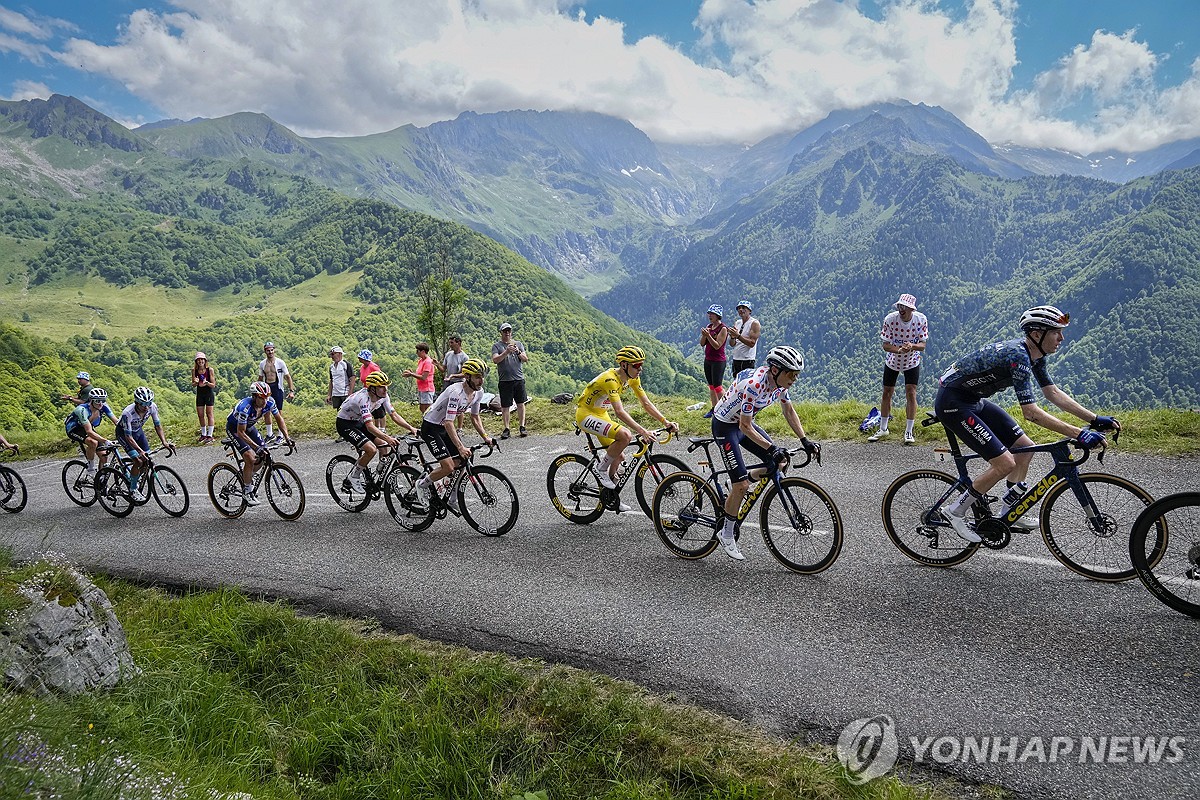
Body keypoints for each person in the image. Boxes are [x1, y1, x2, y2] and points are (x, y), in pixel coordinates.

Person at [933, 305, 1119, 543]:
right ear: (1036, 333)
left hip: (973, 400)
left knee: (1024, 449)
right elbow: (1031, 413)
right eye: (1056, 332)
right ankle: (955, 511)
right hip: (953, 403)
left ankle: (1009, 509)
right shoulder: (1018, 356)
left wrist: (1092, 419)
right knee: (1005, 463)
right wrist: (1078, 434)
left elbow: (1052, 393)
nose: (1061, 338)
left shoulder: (1035, 356)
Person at [710, 346, 820, 561]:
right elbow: (745, 427)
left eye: (797, 375)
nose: (794, 379)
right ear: (776, 370)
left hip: (742, 424)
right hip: (726, 427)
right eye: (791, 374)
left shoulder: (779, 383)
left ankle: (736, 491)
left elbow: (788, 410)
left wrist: (804, 440)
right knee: (741, 485)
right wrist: (771, 448)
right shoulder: (754, 386)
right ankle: (726, 533)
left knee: (779, 462)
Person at [576, 346, 679, 510]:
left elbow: (646, 403)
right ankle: (600, 469)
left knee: (619, 457)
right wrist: (642, 430)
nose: (640, 369)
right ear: (624, 365)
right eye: (636, 365)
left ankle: (612, 498)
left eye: (641, 365)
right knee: (625, 435)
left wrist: (665, 422)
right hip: (586, 415)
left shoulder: (632, 378)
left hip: (601, 413)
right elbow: (619, 411)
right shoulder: (610, 379)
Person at [412, 359, 497, 512]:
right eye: (477, 376)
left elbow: (475, 417)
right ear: (468, 377)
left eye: (482, 376)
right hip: (431, 427)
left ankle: (452, 499)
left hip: (444, 426)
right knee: (449, 466)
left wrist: (486, 437)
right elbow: (449, 423)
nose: (481, 380)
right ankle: (422, 484)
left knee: (462, 461)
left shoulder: (478, 392)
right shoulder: (456, 392)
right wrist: (460, 446)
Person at [335, 371, 418, 493]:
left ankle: (383, 479)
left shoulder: (383, 396)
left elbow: (394, 415)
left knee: (383, 446)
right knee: (371, 449)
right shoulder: (363, 399)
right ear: (373, 389)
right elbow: (369, 426)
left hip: (358, 421)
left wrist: (411, 428)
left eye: (386, 386)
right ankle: (354, 476)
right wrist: (388, 438)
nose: (385, 389)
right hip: (345, 424)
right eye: (381, 387)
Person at [869, 293, 929, 444]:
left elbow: (922, 345)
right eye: (900, 306)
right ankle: (883, 429)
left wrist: (912, 346)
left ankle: (908, 432)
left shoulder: (921, 319)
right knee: (887, 393)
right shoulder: (890, 319)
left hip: (912, 361)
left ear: (911, 309)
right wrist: (899, 350)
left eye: (904, 307)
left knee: (911, 393)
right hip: (893, 360)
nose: (901, 309)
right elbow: (885, 345)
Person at [226, 381, 293, 506]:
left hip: (249, 427)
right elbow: (241, 433)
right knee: (250, 457)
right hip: (235, 429)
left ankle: (247, 476)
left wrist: (287, 438)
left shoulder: (270, 402)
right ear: (255, 397)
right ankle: (247, 491)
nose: (265, 401)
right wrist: (256, 448)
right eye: (262, 398)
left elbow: (279, 419)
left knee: (265, 454)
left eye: (267, 397)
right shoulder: (245, 408)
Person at [114, 387, 172, 502]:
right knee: (138, 460)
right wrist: (140, 451)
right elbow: (128, 437)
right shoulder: (127, 413)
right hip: (124, 434)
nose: (146, 406)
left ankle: (133, 477)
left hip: (138, 432)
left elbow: (157, 425)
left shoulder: (152, 407)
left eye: (148, 403)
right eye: (143, 404)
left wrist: (164, 442)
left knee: (147, 460)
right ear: (136, 402)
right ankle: (133, 489)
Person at [64, 387, 120, 483]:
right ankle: (90, 468)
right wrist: (106, 441)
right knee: (92, 442)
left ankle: (100, 481)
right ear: (91, 400)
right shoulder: (82, 410)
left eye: (103, 400)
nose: (101, 403)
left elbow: (116, 421)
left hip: (87, 427)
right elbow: (89, 432)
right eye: (98, 401)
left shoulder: (103, 406)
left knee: (104, 456)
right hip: (74, 429)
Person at [491, 322, 529, 439]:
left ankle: (522, 427)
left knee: (520, 403)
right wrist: (506, 351)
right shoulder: (497, 346)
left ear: (511, 332)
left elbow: (525, 359)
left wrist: (517, 352)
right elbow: (495, 360)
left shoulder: (518, 344)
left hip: (518, 378)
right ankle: (506, 428)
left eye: (509, 331)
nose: (507, 333)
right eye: (505, 331)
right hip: (505, 380)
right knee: (505, 405)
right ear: (501, 332)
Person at [257, 342, 295, 439]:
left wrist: (291, 391)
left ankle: (281, 435)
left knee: (278, 412)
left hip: (277, 388)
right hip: (267, 389)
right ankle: (269, 434)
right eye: (268, 350)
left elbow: (287, 376)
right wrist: (257, 391)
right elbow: (260, 378)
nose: (270, 352)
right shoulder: (262, 364)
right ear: (265, 351)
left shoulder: (280, 362)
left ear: (274, 350)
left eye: (271, 350)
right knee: (266, 412)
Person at [699, 304, 729, 417]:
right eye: (709, 313)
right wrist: (704, 336)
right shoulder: (709, 326)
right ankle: (714, 409)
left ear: (718, 316)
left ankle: (727, 408)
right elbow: (702, 343)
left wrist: (709, 336)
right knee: (711, 385)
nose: (709, 316)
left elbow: (717, 345)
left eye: (712, 314)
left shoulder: (723, 329)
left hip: (718, 361)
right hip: (708, 359)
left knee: (718, 386)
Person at [439, 335, 470, 430]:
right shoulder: (448, 354)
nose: (450, 345)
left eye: (452, 343)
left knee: (459, 405)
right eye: (450, 343)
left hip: (459, 383)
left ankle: (459, 427)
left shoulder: (464, 357)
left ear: (458, 343)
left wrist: (454, 376)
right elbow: (443, 369)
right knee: (446, 402)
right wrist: (437, 364)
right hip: (448, 382)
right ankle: (445, 423)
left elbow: (465, 374)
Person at [727, 300, 761, 377]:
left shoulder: (754, 323)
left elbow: (752, 343)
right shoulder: (737, 323)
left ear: (749, 310)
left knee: (746, 384)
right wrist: (732, 337)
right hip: (736, 358)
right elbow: (732, 344)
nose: (741, 310)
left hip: (747, 360)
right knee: (736, 384)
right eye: (739, 308)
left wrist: (738, 336)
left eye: (743, 308)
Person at [403, 343, 437, 413]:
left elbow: (424, 377)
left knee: (427, 409)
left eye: (418, 351)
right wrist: (411, 373)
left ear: (423, 351)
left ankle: (429, 422)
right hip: (421, 388)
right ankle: (425, 421)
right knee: (422, 408)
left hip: (427, 389)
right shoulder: (421, 361)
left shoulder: (427, 362)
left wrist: (411, 374)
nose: (416, 353)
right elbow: (419, 374)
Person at [193, 352, 217, 443]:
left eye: (202, 359)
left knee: (209, 413)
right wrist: (196, 382)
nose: (200, 361)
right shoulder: (194, 370)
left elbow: (213, 385)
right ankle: (203, 434)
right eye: (198, 360)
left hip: (208, 393)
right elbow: (193, 384)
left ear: (205, 360)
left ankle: (210, 435)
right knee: (200, 414)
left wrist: (206, 382)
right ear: (196, 361)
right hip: (200, 393)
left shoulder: (209, 370)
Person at [326, 346, 355, 410]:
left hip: (345, 393)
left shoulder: (346, 364)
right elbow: (331, 381)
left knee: (347, 412)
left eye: (334, 354)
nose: (332, 356)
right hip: (336, 394)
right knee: (339, 412)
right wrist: (329, 394)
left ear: (339, 354)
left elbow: (352, 379)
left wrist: (350, 393)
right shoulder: (331, 367)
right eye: (331, 355)